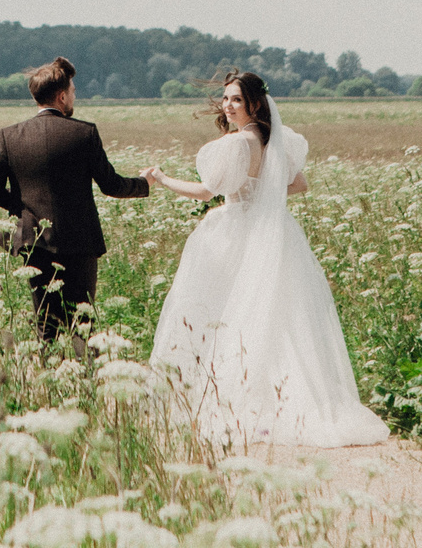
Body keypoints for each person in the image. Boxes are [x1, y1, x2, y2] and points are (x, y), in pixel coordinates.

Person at [144, 70, 387, 449]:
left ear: (254, 104)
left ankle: (234, 400)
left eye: (236, 100)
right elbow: (300, 184)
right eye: (226, 99)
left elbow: (206, 192)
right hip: (274, 229)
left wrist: (161, 178)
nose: (228, 105)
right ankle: (282, 401)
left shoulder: (236, 144)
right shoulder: (275, 139)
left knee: (223, 315)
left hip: (235, 231)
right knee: (277, 318)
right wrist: (266, 192)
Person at [0, 56, 150, 340]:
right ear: (61, 96)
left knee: (46, 324)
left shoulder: (9, 136)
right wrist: (144, 183)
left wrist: (24, 211)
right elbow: (111, 185)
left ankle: (45, 382)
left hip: (35, 244)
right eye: (72, 91)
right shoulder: (84, 133)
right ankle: (83, 379)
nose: (74, 96)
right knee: (81, 324)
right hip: (80, 242)